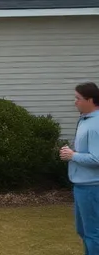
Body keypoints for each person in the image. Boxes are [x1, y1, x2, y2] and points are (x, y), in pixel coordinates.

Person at [61, 81, 99, 255]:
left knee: (93, 234)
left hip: (93, 187)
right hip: (81, 185)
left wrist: (73, 155)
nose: (74, 102)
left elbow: (97, 158)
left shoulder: (96, 124)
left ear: (90, 100)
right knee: (84, 232)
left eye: (78, 98)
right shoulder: (85, 120)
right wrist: (73, 153)